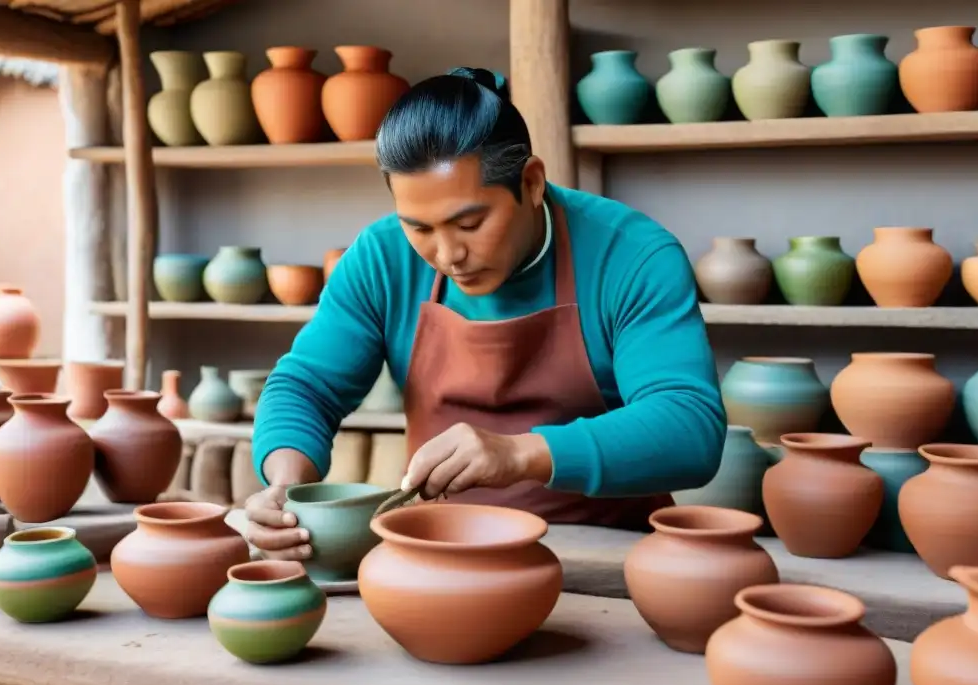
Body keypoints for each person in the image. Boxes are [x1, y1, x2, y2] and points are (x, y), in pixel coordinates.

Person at [245, 67, 726, 561]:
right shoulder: (381, 257)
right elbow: (306, 385)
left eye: (470, 223)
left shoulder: (630, 255)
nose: (448, 254)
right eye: (420, 228)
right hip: (437, 547)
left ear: (532, 182)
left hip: (610, 553)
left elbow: (689, 427)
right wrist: (284, 482)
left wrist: (518, 453)